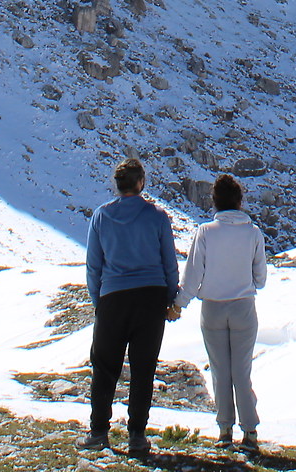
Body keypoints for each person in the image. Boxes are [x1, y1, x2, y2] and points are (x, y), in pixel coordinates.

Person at [84, 157, 181, 458]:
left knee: (104, 367)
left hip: (114, 298)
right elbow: (169, 263)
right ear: (141, 183)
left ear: (117, 184)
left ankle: (99, 431)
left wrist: (100, 302)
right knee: (143, 368)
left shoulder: (102, 216)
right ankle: (137, 436)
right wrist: (171, 298)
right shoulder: (157, 216)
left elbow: (93, 266)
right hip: (151, 298)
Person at [181, 173, 268, 452]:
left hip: (213, 308)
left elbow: (193, 276)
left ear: (215, 202)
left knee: (220, 371)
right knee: (241, 371)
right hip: (243, 306)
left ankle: (224, 430)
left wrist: (178, 303)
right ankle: (250, 431)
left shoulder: (205, 232)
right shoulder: (253, 233)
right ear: (240, 201)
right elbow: (261, 279)